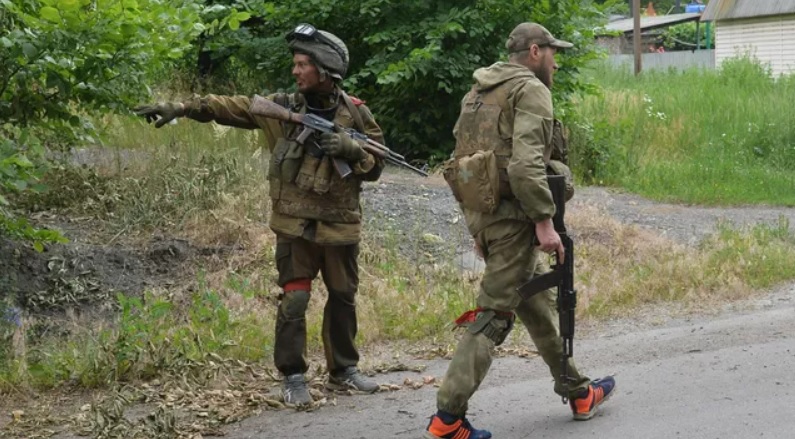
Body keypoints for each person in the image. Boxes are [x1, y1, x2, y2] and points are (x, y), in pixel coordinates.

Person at [134, 23, 384, 407]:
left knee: (343, 297)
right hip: (294, 224)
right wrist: (181, 107)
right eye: (295, 63)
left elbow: (379, 164)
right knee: (295, 301)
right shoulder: (281, 107)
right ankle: (293, 376)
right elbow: (229, 106)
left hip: (340, 225)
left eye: (303, 64)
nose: (295, 71)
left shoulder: (357, 114)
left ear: (326, 70)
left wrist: (352, 150)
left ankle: (344, 371)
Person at [431, 23, 616, 438]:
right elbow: (524, 165)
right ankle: (448, 418)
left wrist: (478, 227)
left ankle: (578, 391)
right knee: (494, 314)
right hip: (517, 220)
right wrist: (544, 223)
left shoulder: (476, 93)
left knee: (535, 300)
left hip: (492, 218)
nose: (555, 60)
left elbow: (461, 167)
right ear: (535, 51)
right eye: (552, 52)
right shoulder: (530, 90)